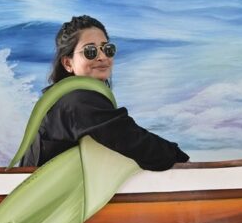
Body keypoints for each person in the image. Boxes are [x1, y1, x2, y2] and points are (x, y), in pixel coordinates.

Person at [21, 15, 189, 170]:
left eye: (107, 49)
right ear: (68, 63)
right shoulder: (77, 100)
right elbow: (130, 140)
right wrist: (180, 159)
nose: (102, 57)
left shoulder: (61, 96)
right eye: (90, 51)